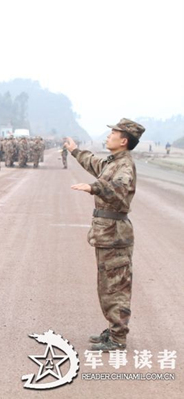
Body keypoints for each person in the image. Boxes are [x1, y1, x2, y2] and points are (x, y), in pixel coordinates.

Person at [64, 118, 145, 352]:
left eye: (113, 134)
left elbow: (119, 189)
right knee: (107, 284)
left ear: (124, 140)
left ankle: (118, 338)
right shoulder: (114, 162)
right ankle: (113, 329)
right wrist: (75, 151)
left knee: (116, 286)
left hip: (115, 234)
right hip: (107, 232)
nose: (108, 136)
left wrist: (94, 187)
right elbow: (94, 163)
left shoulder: (125, 166)